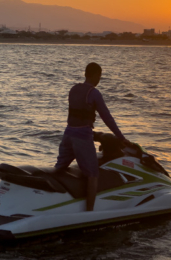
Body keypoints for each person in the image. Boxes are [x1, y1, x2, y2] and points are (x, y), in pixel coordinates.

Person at [55, 62, 129, 211]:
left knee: (59, 169)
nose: (99, 79)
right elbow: (107, 118)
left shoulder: (73, 89)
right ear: (96, 75)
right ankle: (90, 211)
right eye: (99, 76)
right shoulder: (94, 93)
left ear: (85, 74)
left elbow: (76, 116)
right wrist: (121, 137)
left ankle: (54, 202)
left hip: (68, 134)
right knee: (93, 174)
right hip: (82, 137)